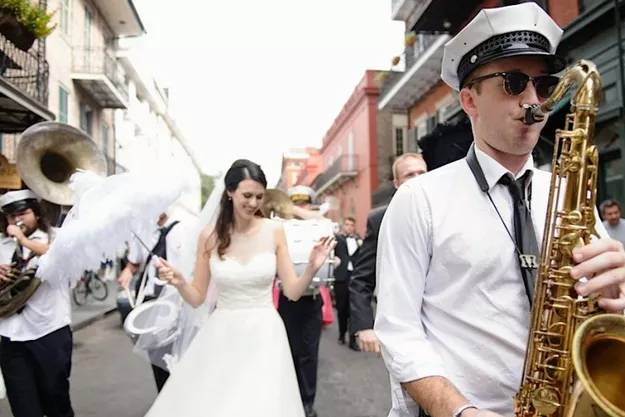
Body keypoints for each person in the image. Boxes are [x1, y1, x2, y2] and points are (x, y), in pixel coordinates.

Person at [374, 4, 625, 417]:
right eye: (513, 83)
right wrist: (460, 412)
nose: (533, 101)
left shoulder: (569, 193)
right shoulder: (420, 199)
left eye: (543, 85)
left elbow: (599, 313)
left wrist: (612, 295)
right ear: (469, 100)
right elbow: (398, 332)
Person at [147, 160, 335, 417]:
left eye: (259, 196)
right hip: (222, 334)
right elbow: (197, 298)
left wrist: (312, 267)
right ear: (229, 192)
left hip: (265, 333)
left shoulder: (274, 230)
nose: (253, 203)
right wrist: (180, 281)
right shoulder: (209, 237)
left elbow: (291, 291)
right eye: (247, 195)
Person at [0, 190, 74, 417]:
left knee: (56, 403)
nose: (17, 221)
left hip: (49, 331)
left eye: (23, 213)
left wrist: (23, 241)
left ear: (38, 214)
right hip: (11, 335)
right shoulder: (2, 246)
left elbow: (57, 256)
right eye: (11, 217)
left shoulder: (56, 237)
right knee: (24, 409)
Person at [117, 211, 183, 392]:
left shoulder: (184, 227)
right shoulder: (141, 230)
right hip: (151, 300)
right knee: (158, 359)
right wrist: (128, 272)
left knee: (179, 358)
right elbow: (135, 262)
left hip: (176, 301)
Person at [278, 184, 325, 417]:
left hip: (311, 300)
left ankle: (307, 403)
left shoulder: (318, 226)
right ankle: (291, 399)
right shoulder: (282, 227)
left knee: (309, 354)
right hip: (288, 301)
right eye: (296, 203)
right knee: (290, 352)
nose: (301, 207)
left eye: (304, 202)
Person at [333, 216, 361, 350]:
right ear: (343, 226)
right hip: (341, 277)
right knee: (341, 308)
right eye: (347, 224)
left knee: (354, 309)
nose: (349, 227)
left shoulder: (358, 240)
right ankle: (341, 334)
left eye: (352, 225)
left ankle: (352, 340)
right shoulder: (337, 239)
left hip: (354, 277)